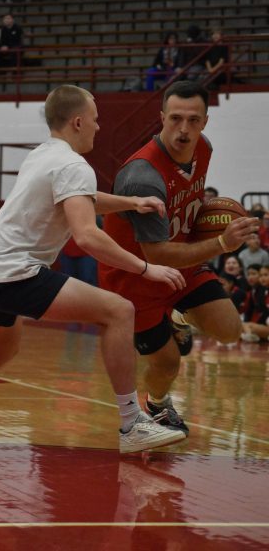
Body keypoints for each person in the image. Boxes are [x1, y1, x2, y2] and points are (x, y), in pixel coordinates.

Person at [0, 84, 188, 454]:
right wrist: (146, 268)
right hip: (15, 273)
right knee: (120, 311)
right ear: (77, 121)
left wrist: (130, 202)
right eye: (94, 119)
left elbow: (82, 198)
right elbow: (88, 236)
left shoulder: (43, 154)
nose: (98, 127)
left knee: (0, 352)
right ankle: (132, 424)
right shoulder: (75, 165)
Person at [99, 80, 258, 435]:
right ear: (161, 118)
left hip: (182, 261)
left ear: (204, 122)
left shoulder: (204, 149)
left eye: (192, 120)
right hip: (136, 278)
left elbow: (190, 205)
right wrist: (221, 242)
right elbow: (156, 253)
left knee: (230, 330)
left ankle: (178, 316)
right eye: (175, 119)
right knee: (168, 362)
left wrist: (216, 216)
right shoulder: (142, 176)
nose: (183, 130)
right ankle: (156, 404)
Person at [241, 264, 269, 342]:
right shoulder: (259, 291)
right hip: (264, 324)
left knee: (248, 326)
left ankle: (250, 335)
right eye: (260, 276)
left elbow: (265, 311)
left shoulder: (262, 291)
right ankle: (250, 335)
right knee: (242, 325)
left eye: (265, 275)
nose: (262, 278)